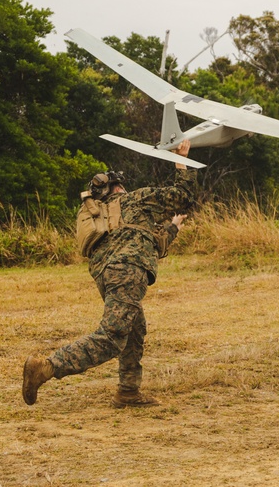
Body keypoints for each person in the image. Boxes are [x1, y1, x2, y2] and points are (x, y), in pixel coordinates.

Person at [23, 139, 197, 407]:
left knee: (135, 328)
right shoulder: (134, 199)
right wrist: (181, 160)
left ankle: (128, 392)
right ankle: (46, 367)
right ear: (118, 187)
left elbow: (148, 241)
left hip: (108, 276)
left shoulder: (101, 215)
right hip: (128, 272)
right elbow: (183, 197)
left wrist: (173, 227)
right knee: (112, 336)